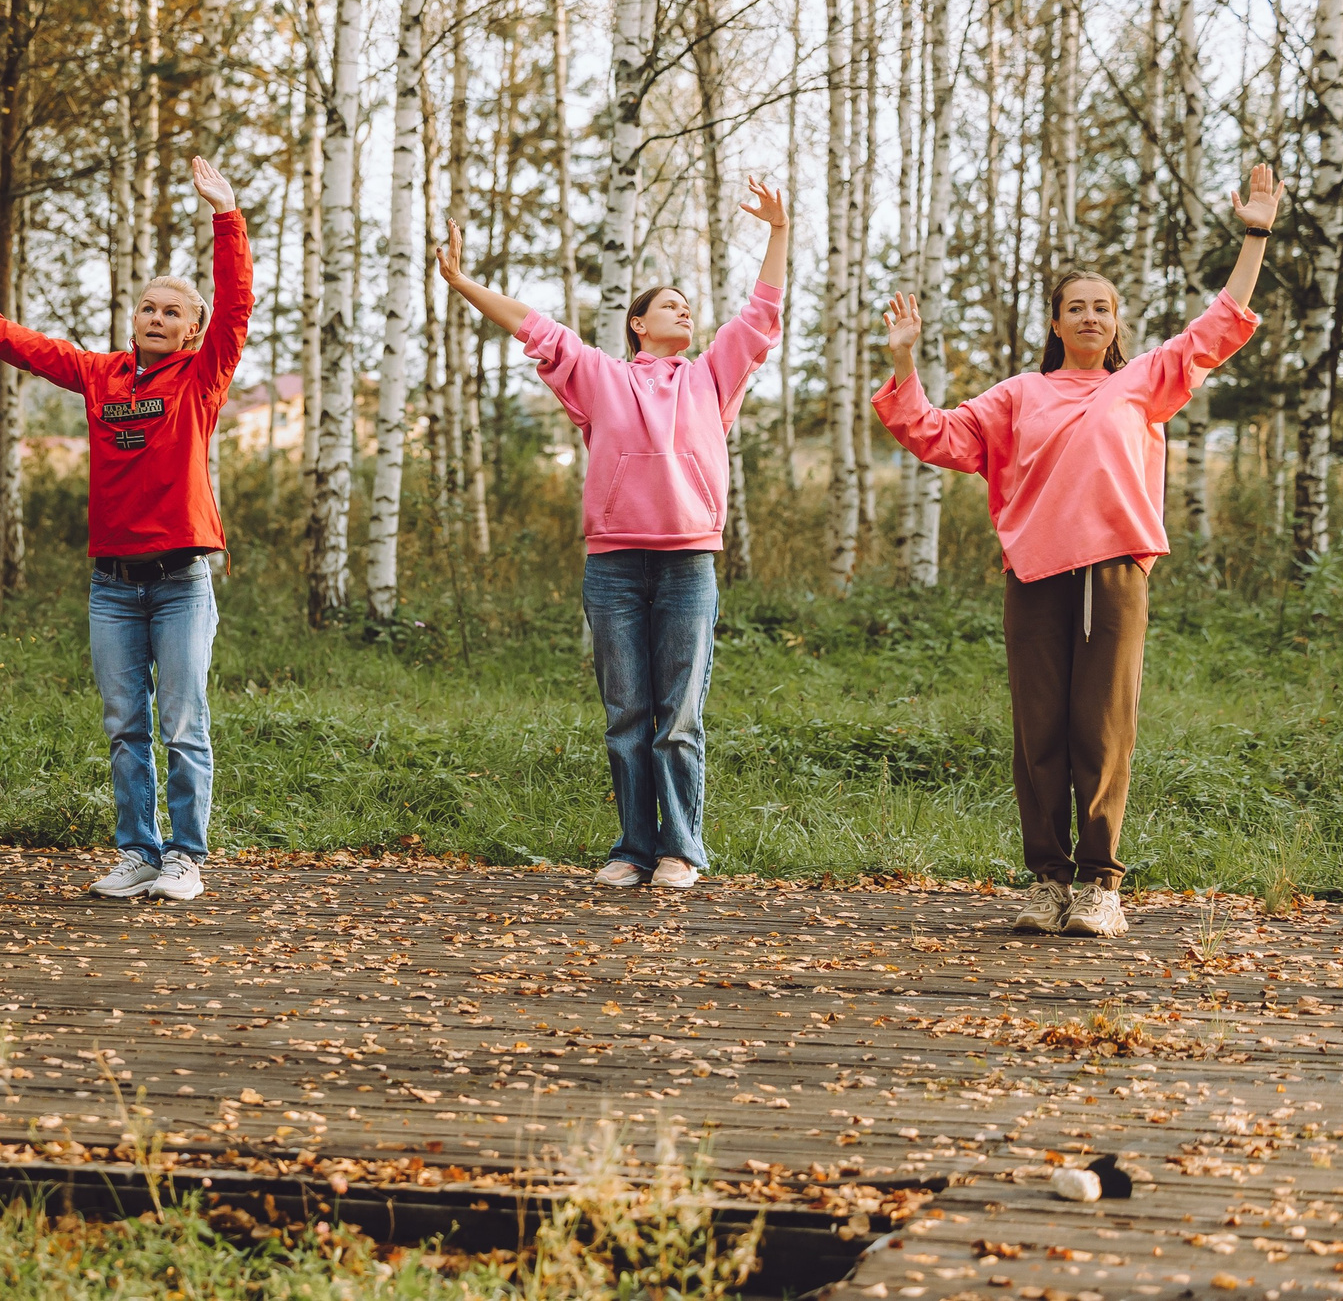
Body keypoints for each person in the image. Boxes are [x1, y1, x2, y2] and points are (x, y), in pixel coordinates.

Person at [874, 165, 1282, 940]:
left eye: (1103, 307)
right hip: (1034, 578)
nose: (1090, 316)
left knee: (1103, 729)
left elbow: (1223, 320)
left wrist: (1254, 234)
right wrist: (904, 365)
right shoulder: (1018, 395)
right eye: (1076, 308)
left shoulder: (1143, 383)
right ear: (1056, 322)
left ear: (1116, 321)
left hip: (1116, 575)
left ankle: (1100, 885)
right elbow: (933, 433)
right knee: (1041, 733)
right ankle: (1047, 881)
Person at [436, 179, 790, 893]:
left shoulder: (714, 375)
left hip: (689, 562)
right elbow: (531, 326)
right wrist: (461, 280)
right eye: (667, 305)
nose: (682, 311)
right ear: (636, 324)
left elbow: (762, 311)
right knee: (627, 713)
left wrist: (778, 231)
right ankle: (633, 848)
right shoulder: (599, 377)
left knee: (678, 719)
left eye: (688, 307)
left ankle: (680, 852)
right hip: (615, 566)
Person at [0, 158, 251, 903]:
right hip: (112, 585)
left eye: (171, 311)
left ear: (193, 331)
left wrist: (227, 217)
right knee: (125, 726)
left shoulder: (201, 378)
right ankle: (138, 854)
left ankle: (186, 859)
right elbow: (33, 349)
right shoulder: (101, 376)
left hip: (180, 581)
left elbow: (237, 303)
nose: (155, 317)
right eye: (147, 307)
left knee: (182, 723)